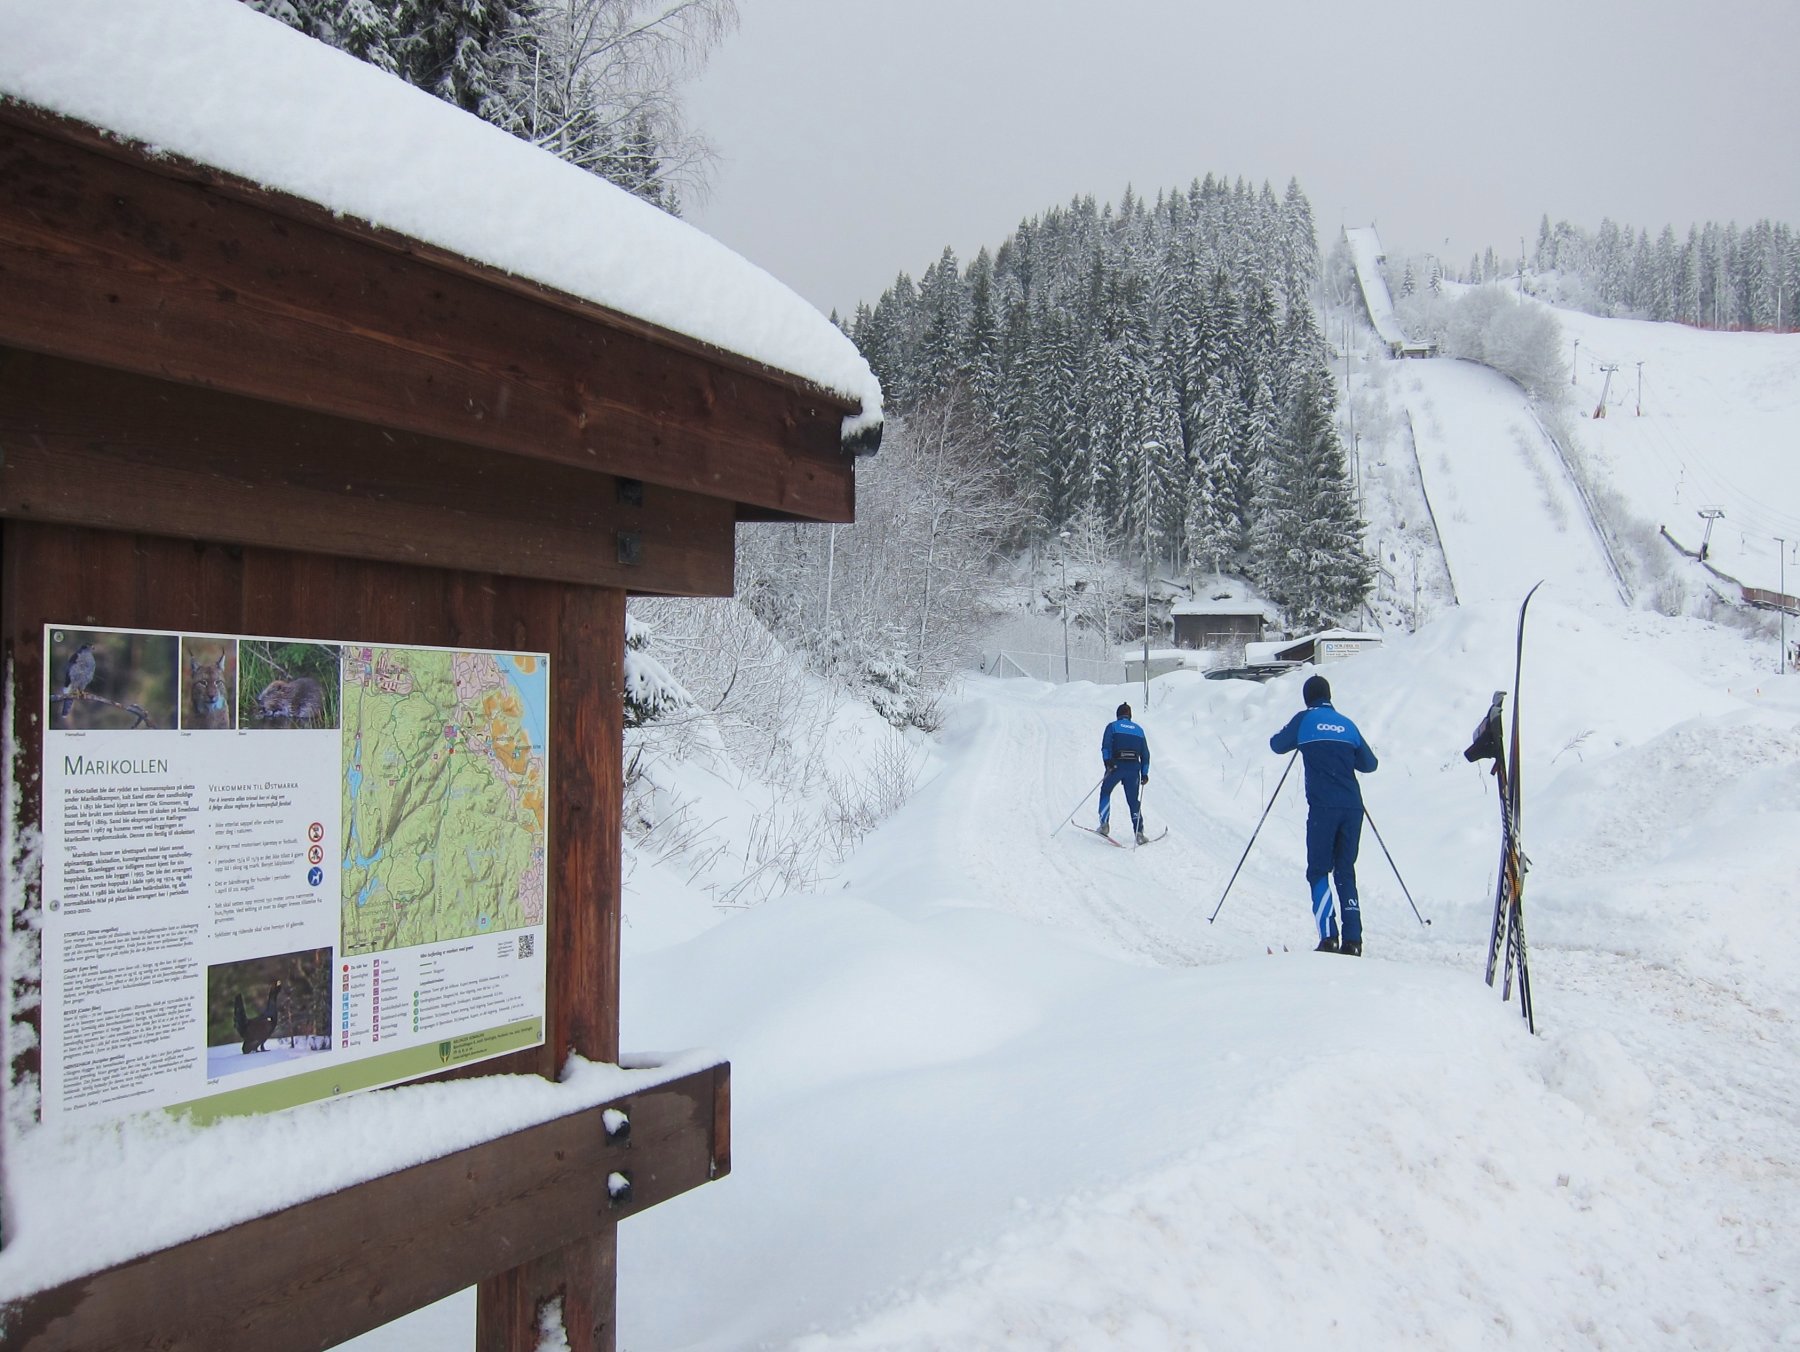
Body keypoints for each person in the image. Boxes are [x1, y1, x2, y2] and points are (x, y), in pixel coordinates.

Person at [1269, 673, 1378, 955]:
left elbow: (1277, 744)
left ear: (1307, 698)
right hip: (1353, 808)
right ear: (1329, 696)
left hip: (1323, 809)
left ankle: (1328, 936)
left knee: (1318, 870)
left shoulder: (1304, 720)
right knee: (1345, 870)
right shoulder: (1347, 724)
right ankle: (1353, 941)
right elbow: (1369, 764)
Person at [1099, 701, 1151, 844]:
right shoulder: (1139, 730)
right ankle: (1139, 833)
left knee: (1105, 792)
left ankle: (1104, 825)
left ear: (1118, 715)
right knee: (1133, 801)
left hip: (1115, 767)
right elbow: (1145, 754)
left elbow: (1105, 747)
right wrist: (1144, 773)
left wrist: (1107, 762)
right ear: (1130, 715)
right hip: (1133, 769)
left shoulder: (1112, 727)